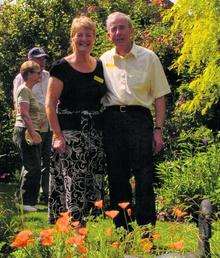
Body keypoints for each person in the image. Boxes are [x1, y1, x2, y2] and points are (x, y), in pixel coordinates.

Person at [100, 12, 171, 230]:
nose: (118, 32)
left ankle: (146, 228)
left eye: (122, 27)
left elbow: (160, 95)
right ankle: (122, 229)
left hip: (139, 119)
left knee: (144, 175)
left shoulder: (149, 58)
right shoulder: (102, 60)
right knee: (116, 174)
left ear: (131, 30)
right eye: (113, 29)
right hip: (111, 120)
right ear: (108, 34)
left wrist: (158, 130)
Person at [45, 16, 107, 224]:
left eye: (88, 35)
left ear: (94, 38)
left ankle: (85, 226)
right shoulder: (61, 67)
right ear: (72, 38)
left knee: (91, 180)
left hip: (94, 135)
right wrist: (57, 135)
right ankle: (73, 227)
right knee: (73, 180)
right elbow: (50, 104)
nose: (84, 39)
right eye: (79, 35)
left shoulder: (100, 66)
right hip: (70, 135)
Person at [13, 47, 52, 204]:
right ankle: (25, 196)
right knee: (32, 162)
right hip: (31, 125)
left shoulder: (48, 75)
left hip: (47, 124)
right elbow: (19, 105)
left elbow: (52, 98)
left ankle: (45, 195)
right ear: (29, 61)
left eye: (43, 59)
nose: (42, 62)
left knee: (47, 161)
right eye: (39, 59)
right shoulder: (20, 80)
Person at [13, 60, 43, 212]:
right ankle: (25, 202)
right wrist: (32, 132)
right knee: (33, 167)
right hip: (25, 131)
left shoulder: (29, 90)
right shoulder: (23, 89)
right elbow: (24, 113)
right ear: (29, 74)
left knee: (33, 166)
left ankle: (27, 201)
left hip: (30, 131)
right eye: (37, 72)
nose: (40, 74)